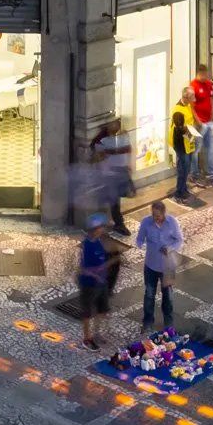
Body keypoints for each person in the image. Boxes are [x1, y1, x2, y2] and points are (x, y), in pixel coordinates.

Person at [134, 197, 183, 332]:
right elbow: (139, 239)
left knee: (168, 296)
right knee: (149, 295)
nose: (156, 218)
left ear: (164, 213)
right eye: (154, 215)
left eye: (158, 215)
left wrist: (170, 248)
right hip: (151, 265)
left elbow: (179, 241)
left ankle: (168, 323)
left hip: (168, 267)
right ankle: (148, 322)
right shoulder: (146, 222)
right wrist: (140, 246)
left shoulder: (172, 222)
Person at [77, 215, 112, 347]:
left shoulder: (98, 242)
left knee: (102, 309)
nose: (102, 229)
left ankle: (96, 333)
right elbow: (83, 269)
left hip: (101, 283)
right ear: (94, 229)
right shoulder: (87, 245)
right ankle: (87, 338)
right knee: (87, 312)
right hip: (89, 284)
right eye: (100, 227)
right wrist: (96, 274)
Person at [93, 120, 133, 235]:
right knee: (109, 201)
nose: (117, 127)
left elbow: (125, 154)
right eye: (115, 125)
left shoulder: (118, 139)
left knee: (113, 201)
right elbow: (98, 157)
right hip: (106, 176)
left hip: (114, 175)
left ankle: (116, 224)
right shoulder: (102, 141)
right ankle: (114, 224)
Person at [189, 68, 213, 185]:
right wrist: (198, 121)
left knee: (211, 149)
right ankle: (194, 174)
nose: (206, 77)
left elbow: (211, 99)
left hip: (209, 123)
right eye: (204, 75)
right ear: (199, 74)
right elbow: (191, 106)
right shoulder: (193, 86)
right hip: (199, 125)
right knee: (195, 150)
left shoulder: (208, 84)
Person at [171, 96, 196, 202]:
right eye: (192, 97)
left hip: (188, 143)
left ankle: (183, 189)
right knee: (183, 168)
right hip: (182, 146)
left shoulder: (187, 105)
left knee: (186, 167)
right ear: (185, 97)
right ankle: (179, 192)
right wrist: (188, 129)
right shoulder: (178, 111)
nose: (193, 99)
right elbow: (179, 128)